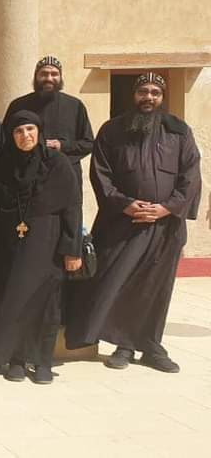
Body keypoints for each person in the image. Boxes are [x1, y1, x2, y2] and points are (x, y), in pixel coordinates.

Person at [66, 73, 201, 373]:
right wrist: (125, 205)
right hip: (122, 225)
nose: (149, 97)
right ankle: (124, 345)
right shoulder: (113, 131)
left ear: (162, 96)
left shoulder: (179, 131)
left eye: (155, 92)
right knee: (119, 282)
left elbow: (191, 176)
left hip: (165, 226)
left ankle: (151, 345)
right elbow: (100, 175)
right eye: (143, 91)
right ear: (134, 94)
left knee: (156, 286)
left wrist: (167, 208)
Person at [0, 111, 81, 384]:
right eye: (18, 131)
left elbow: (72, 207)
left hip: (47, 242)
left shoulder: (57, 163)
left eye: (29, 129)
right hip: (10, 243)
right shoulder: (3, 163)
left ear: (39, 131)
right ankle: (15, 358)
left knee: (46, 304)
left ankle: (43, 361)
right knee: (11, 300)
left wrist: (72, 249)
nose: (24, 136)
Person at [3, 56, 94, 193]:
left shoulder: (75, 106)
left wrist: (62, 146)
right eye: (44, 74)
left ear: (60, 77)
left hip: (65, 177)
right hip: (26, 176)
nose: (49, 78)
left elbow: (88, 143)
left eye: (54, 74)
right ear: (36, 77)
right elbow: (5, 140)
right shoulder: (18, 105)